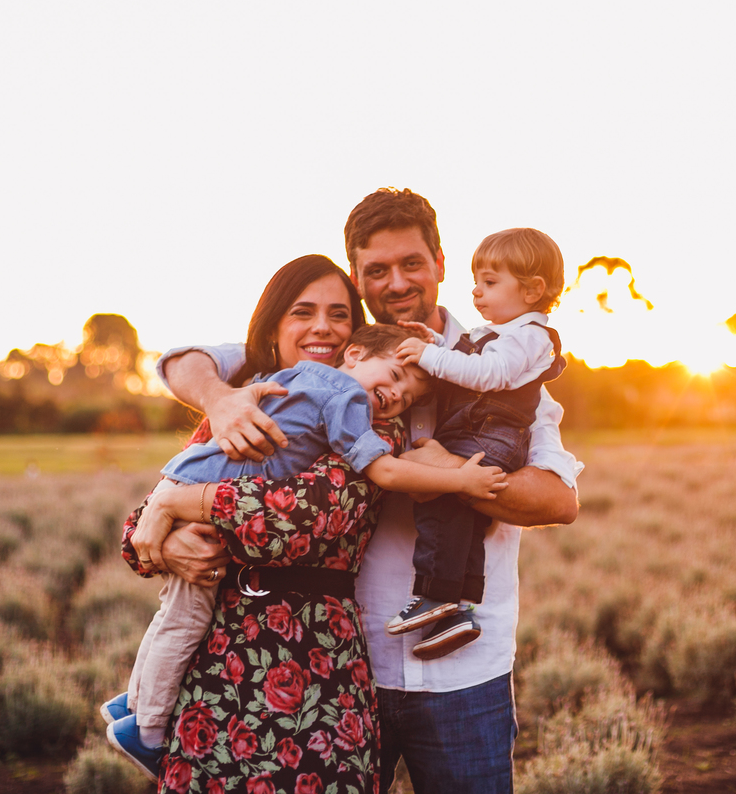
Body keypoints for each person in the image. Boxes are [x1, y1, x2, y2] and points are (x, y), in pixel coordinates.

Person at [156, 188, 582, 794]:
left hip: (465, 675)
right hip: (343, 675)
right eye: (377, 270)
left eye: (412, 263)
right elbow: (188, 360)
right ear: (357, 276)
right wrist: (220, 401)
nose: (397, 282)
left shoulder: (500, 363)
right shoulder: (337, 357)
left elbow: (559, 500)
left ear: (440, 262)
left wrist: (451, 474)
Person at [102, 311, 506, 777]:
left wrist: (174, 504)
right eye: (396, 377)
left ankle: (135, 705)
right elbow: (382, 472)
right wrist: (460, 480)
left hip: (195, 490)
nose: (398, 396)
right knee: (181, 618)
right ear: (354, 353)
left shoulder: (300, 382)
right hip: (204, 526)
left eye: (409, 397)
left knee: (173, 613)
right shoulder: (330, 397)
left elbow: (297, 518)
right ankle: (148, 731)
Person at [386, 227, 568, 660]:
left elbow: (488, 374)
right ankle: (458, 610)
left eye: (489, 282)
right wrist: (433, 343)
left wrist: (430, 356)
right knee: (463, 521)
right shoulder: (501, 333)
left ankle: (435, 593)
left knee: (441, 501)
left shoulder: (529, 336)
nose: (476, 291)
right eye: (476, 281)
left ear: (532, 290)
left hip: (489, 434)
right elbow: (470, 361)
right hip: (479, 431)